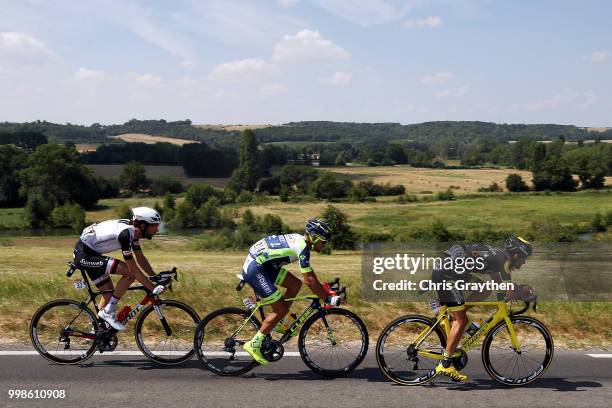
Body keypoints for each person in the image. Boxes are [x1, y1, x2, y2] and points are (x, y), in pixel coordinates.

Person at [431, 236, 533, 381]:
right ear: (516, 254)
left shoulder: (498, 257)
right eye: (524, 258)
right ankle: (445, 364)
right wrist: (524, 292)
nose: (524, 262)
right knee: (462, 321)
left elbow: (498, 283)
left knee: (484, 290)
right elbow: (509, 289)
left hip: (452, 269)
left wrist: (503, 297)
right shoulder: (504, 262)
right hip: (448, 274)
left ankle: (455, 312)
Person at [241, 219, 341, 365]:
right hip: (256, 269)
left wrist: (322, 289)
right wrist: (326, 298)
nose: (325, 245)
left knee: (294, 285)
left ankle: (281, 322)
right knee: (280, 308)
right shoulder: (302, 248)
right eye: (323, 242)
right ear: (314, 238)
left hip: (266, 265)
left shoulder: (301, 242)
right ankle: (254, 344)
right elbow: (309, 279)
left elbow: (310, 277)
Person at [72, 207, 165, 330]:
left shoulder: (134, 232)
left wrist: (154, 276)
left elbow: (140, 258)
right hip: (84, 255)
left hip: (91, 254)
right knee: (130, 273)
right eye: (154, 226)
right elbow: (133, 270)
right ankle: (107, 312)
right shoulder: (125, 234)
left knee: (109, 296)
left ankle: (98, 333)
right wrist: (153, 288)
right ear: (143, 225)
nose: (157, 229)